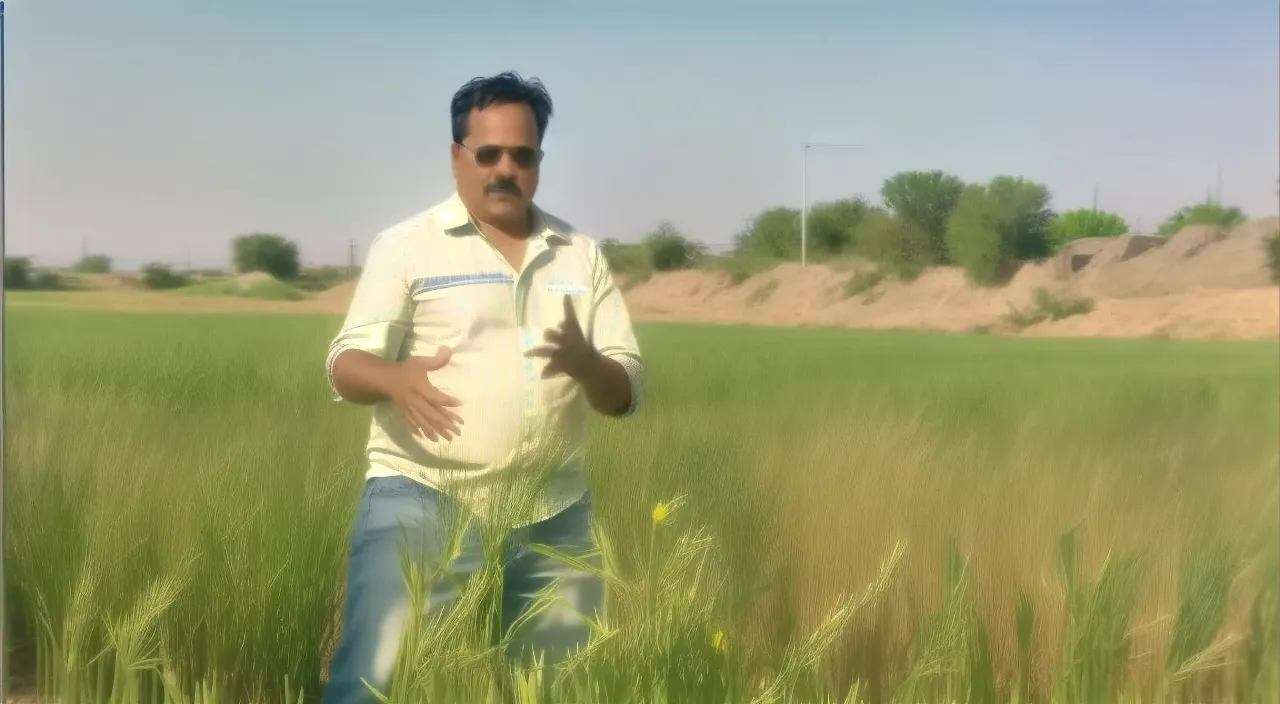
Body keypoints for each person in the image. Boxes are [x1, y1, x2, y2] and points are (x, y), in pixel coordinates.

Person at [320, 71, 644, 704]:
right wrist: (393, 377)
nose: (505, 170)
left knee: (558, 691)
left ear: (539, 163)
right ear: (455, 157)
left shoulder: (579, 254)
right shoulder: (408, 247)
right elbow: (344, 361)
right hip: (422, 501)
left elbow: (624, 394)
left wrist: (586, 363)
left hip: (555, 519)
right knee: (377, 684)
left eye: (522, 156)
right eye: (488, 153)